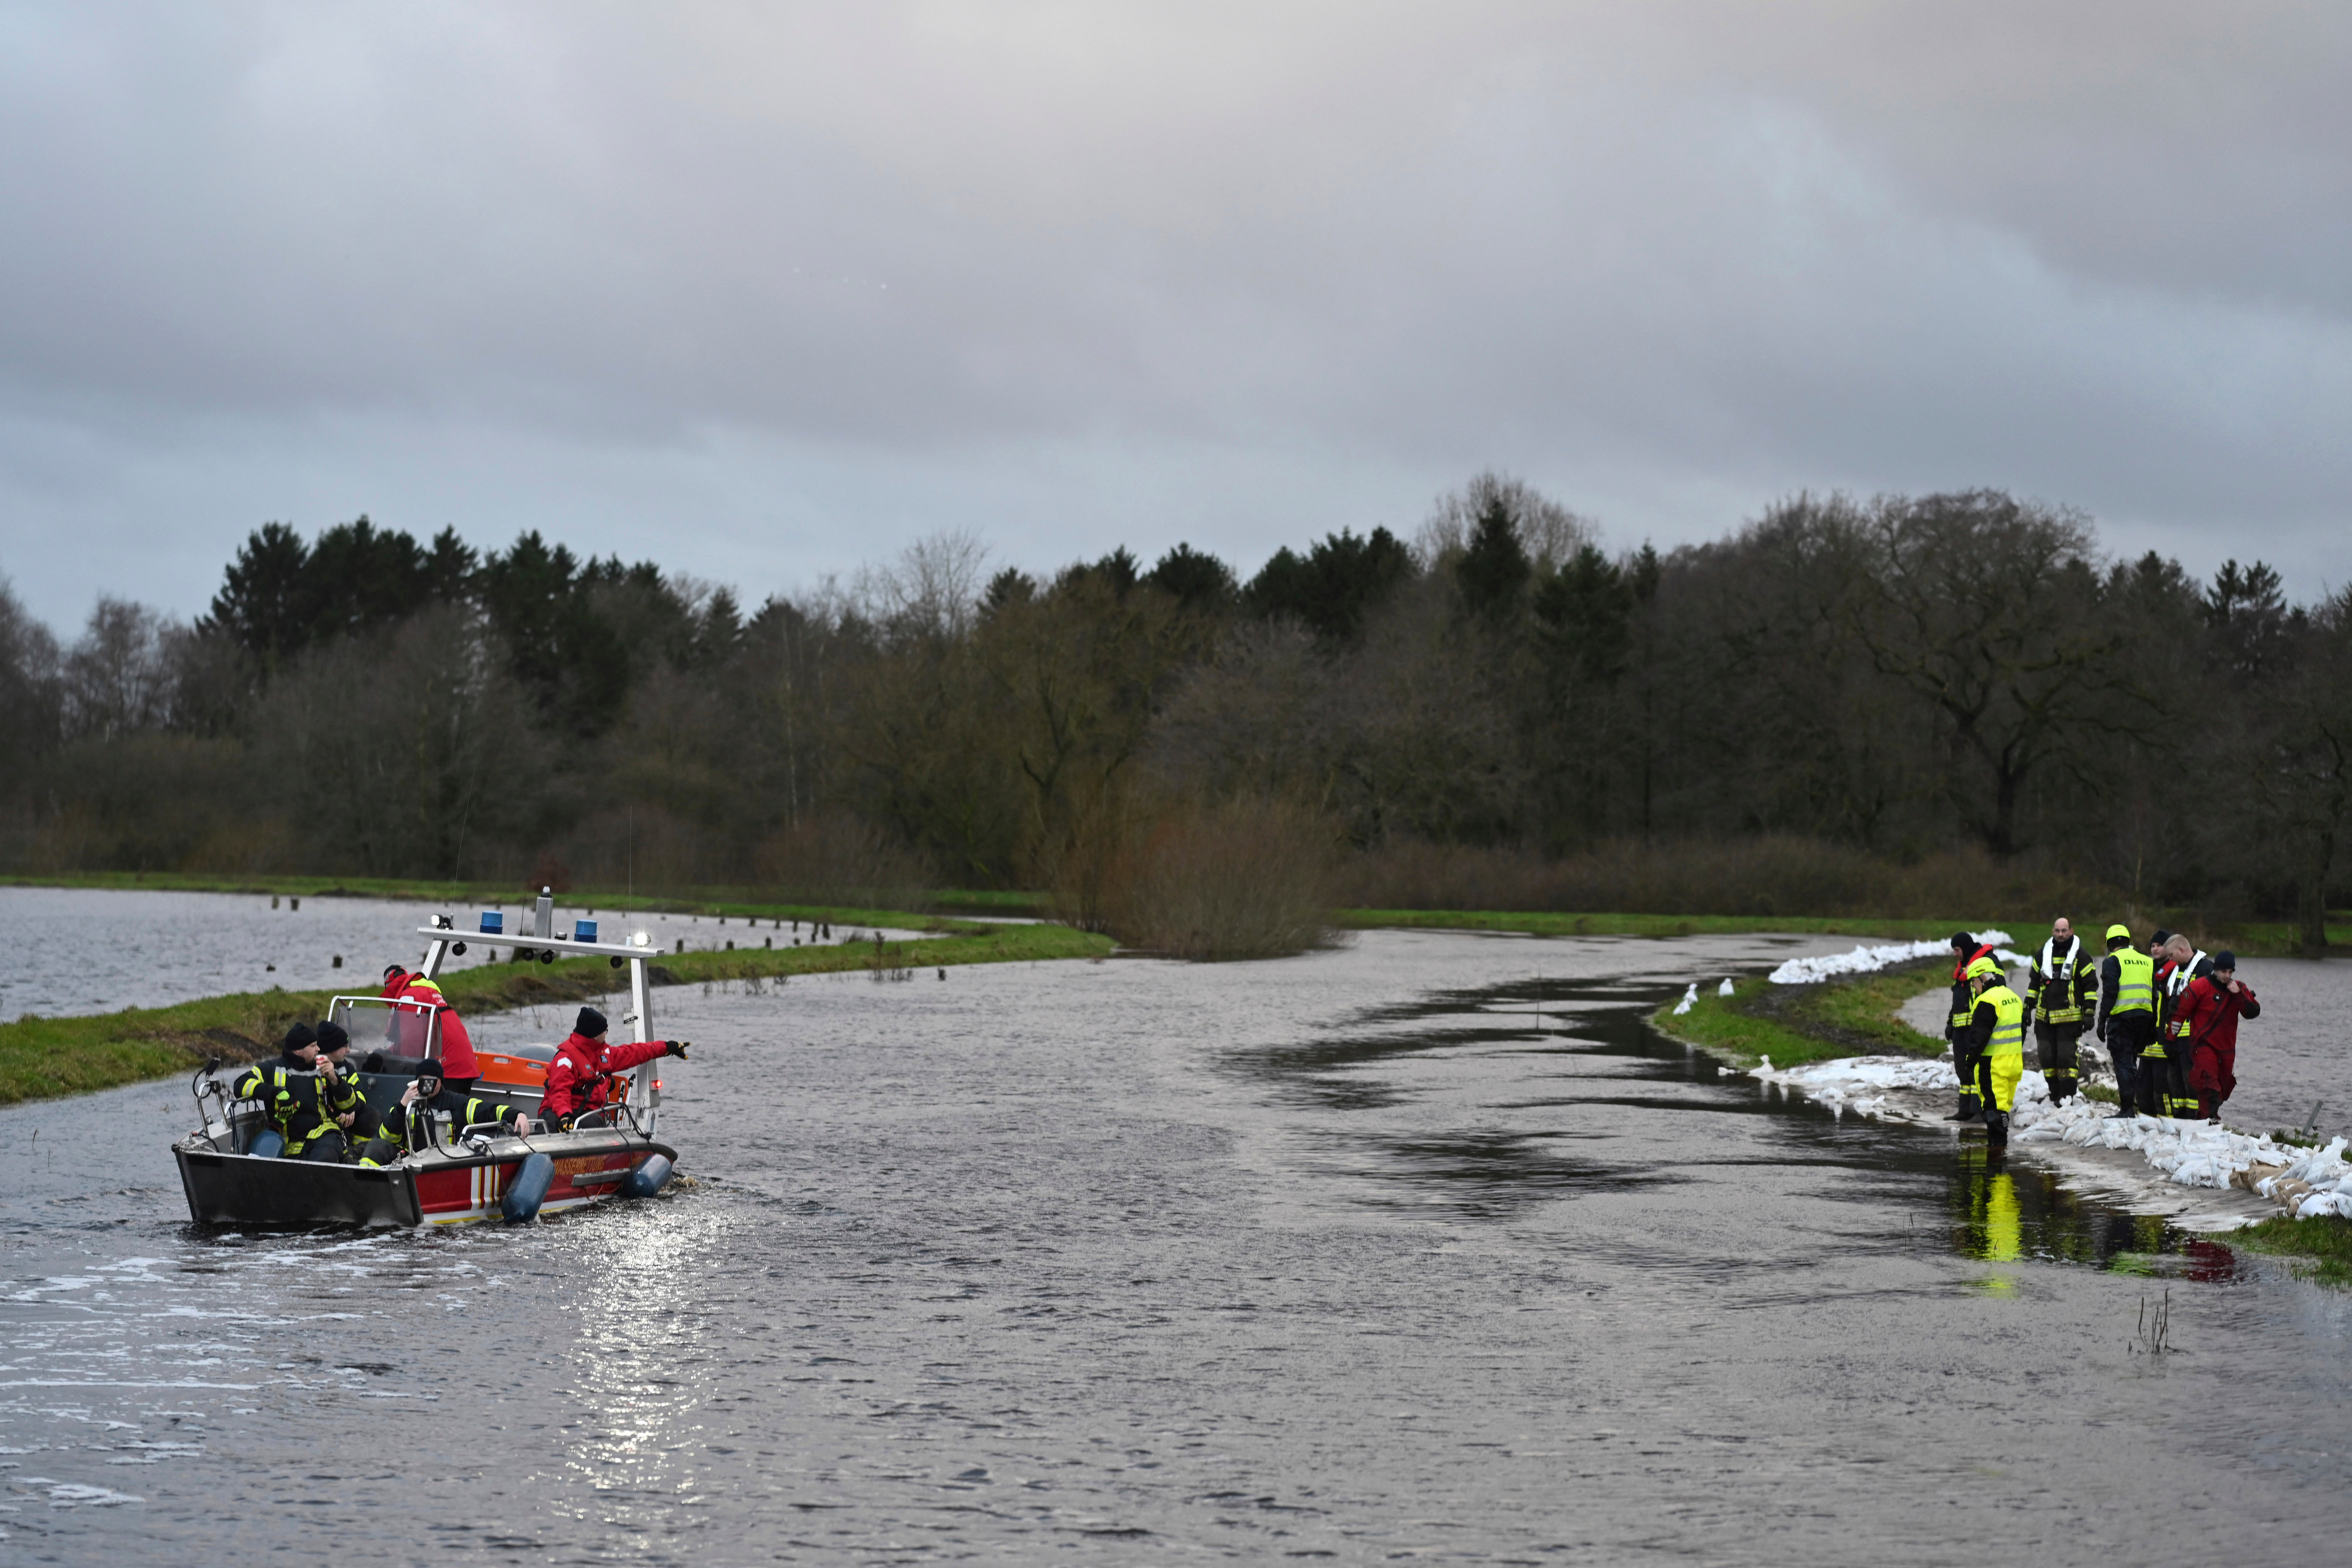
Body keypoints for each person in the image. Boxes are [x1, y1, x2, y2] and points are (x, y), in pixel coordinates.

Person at [540, 1007, 688, 1130]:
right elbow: (559, 1092)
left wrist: (667, 1047)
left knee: (591, 1124)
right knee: (551, 1125)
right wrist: (565, 1115)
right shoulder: (565, 1060)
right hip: (558, 1112)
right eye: (605, 1031)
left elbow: (636, 1053)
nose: (607, 1033)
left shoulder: (605, 1054)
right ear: (595, 1036)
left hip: (589, 1114)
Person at [359, 1061, 533, 1163]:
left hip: (444, 1163)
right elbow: (386, 1137)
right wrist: (403, 1106)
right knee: (376, 1147)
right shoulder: (406, 1104)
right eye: (422, 1080)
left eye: (431, 1080)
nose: (426, 1085)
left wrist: (516, 1115)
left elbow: (488, 1110)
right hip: (410, 1162)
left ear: (441, 1082)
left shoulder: (456, 1103)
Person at [2175, 950, 2259, 1121]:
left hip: (2226, 1049)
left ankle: (2205, 1118)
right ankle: (2207, 1120)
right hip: (2203, 1045)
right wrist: (2171, 1039)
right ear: (2215, 970)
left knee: (2223, 1088)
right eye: (2223, 972)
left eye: (2230, 972)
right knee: (2208, 1084)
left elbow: (2253, 1012)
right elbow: (2179, 1012)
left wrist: (2239, 994)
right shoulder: (2201, 986)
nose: (2227, 976)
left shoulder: (2239, 988)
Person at [1952, 956, 2026, 1148]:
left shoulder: (1987, 1001)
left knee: (1993, 1111)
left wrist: (1970, 1062)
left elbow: (1979, 1037)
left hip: (1993, 1065)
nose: (1973, 986)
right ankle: (1999, 1149)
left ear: (1984, 979)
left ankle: (1997, 1153)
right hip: (2014, 1062)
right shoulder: (2013, 997)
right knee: (2003, 1108)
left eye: (1974, 981)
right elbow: (2023, 1030)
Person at [231, 1023, 335, 1157]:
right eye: (313, 1046)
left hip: (323, 1137)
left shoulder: (324, 1069)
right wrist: (275, 1092)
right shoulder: (271, 1068)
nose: (319, 1049)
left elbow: (346, 1103)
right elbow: (240, 1084)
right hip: (286, 1145)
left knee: (326, 1154)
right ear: (298, 1050)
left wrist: (335, 1080)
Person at [2025, 916, 2097, 1104]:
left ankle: (2067, 1097)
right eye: (2057, 931)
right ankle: (2055, 1094)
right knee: (2046, 1058)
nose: (2061, 934)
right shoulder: (2043, 955)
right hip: (2044, 1019)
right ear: (2053, 932)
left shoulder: (2081, 956)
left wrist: (2090, 1013)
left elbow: (2090, 986)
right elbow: (2034, 984)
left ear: (2071, 932)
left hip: (2069, 1019)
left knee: (2066, 1059)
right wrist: (2027, 1008)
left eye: (2064, 931)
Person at [381, 963, 479, 1094]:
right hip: (462, 1065)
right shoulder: (426, 992)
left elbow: (411, 1041)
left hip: (447, 1070)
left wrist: (393, 1061)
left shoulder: (409, 997)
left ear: (389, 987)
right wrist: (391, 1051)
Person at [2144, 935, 2212, 1117]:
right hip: (2176, 1036)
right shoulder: (2176, 970)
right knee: (2175, 1082)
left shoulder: (2205, 968)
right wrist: (2167, 1037)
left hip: (2195, 1037)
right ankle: (2179, 1119)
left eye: (2172, 956)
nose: (2170, 960)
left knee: (2193, 1083)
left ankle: (2197, 1120)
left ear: (2181, 950)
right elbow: (2170, 1005)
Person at [2094, 923, 2156, 1120]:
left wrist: (2102, 1020)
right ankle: (2136, 1104)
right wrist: (2154, 1024)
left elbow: (2110, 993)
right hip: (2145, 1018)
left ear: (2110, 944)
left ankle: (2127, 1109)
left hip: (2122, 1019)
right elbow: (2155, 995)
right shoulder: (2148, 961)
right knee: (2132, 1062)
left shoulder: (2112, 961)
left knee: (2123, 1062)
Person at [1943, 931, 1996, 1121]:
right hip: (1960, 1029)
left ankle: (1978, 1112)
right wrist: (1950, 1023)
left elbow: (1993, 992)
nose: (1955, 954)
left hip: (1975, 1027)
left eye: (1957, 950)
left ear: (1965, 948)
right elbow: (1958, 1000)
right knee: (1962, 1069)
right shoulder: (1962, 969)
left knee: (1976, 1070)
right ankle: (1964, 1110)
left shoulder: (1985, 963)